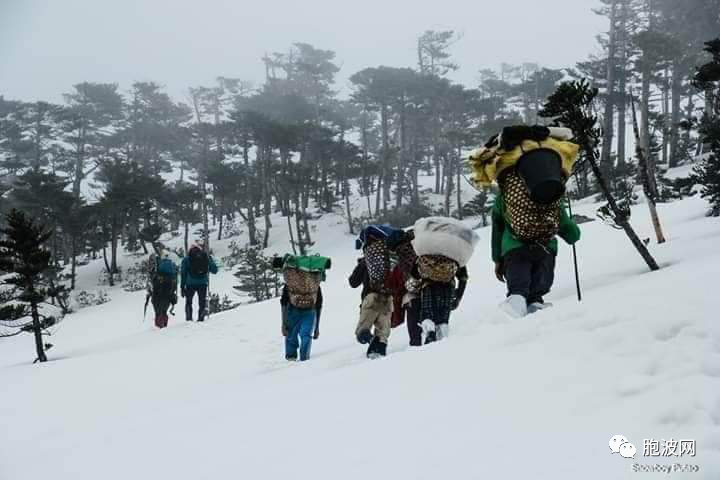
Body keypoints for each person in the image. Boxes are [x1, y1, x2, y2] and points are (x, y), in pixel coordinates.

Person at [491, 171, 581, 317]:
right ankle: (536, 315)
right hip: (545, 251)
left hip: (515, 250)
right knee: (535, 296)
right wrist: (573, 233)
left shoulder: (506, 196)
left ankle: (511, 324)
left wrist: (497, 259)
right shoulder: (551, 194)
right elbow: (572, 234)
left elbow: (497, 230)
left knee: (518, 292)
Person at [349, 233, 393, 358]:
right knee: (382, 335)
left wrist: (361, 265)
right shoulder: (390, 259)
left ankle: (371, 341)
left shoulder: (365, 261)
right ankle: (378, 356)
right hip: (388, 299)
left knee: (361, 332)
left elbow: (353, 282)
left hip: (371, 298)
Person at [407, 255, 468, 343]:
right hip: (448, 289)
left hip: (429, 287)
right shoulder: (454, 251)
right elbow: (463, 277)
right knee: (443, 319)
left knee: (427, 315)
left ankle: (430, 334)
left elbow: (415, 274)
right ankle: (441, 341)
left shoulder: (425, 250)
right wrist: (458, 297)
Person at [280, 282, 322, 362]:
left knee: (291, 335)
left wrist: (283, 323)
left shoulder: (291, 280)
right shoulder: (313, 282)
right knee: (306, 335)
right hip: (310, 311)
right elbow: (318, 305)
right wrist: (316, 327)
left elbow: (284, 302)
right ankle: (304, 360)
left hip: (292, 311)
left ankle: (291, 359)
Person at [180, 244, 218, 322]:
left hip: (190, 283)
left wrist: (182, 286)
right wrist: (209, 260)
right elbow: (214, 270)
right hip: (202, 283)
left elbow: (183, 273)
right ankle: (201, 318)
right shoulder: (205, 257)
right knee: (202, 301)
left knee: (189, 302)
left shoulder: (186, 259)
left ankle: (189, 318)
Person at [147, 245, 178, 329]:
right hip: (169, 293)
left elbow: (152, 279)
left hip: (158, 293)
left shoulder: (158, 267)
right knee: (164, 311)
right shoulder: (172, 266)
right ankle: (164, 326)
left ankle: (159, 328)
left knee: (158, 312)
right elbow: (176, 281)